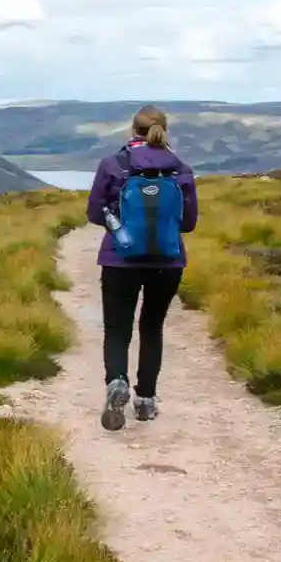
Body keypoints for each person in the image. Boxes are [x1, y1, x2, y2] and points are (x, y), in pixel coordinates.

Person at [85, 105, 198, 430]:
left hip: (120, 261)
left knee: (116, 329)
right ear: (164, 130)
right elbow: (188, 223)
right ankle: (146, 401)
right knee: (152, 326)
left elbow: (95, 213)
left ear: (132, 130)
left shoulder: (113, 165)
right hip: (168, 261)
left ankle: (117, 381)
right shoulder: (181, 169)